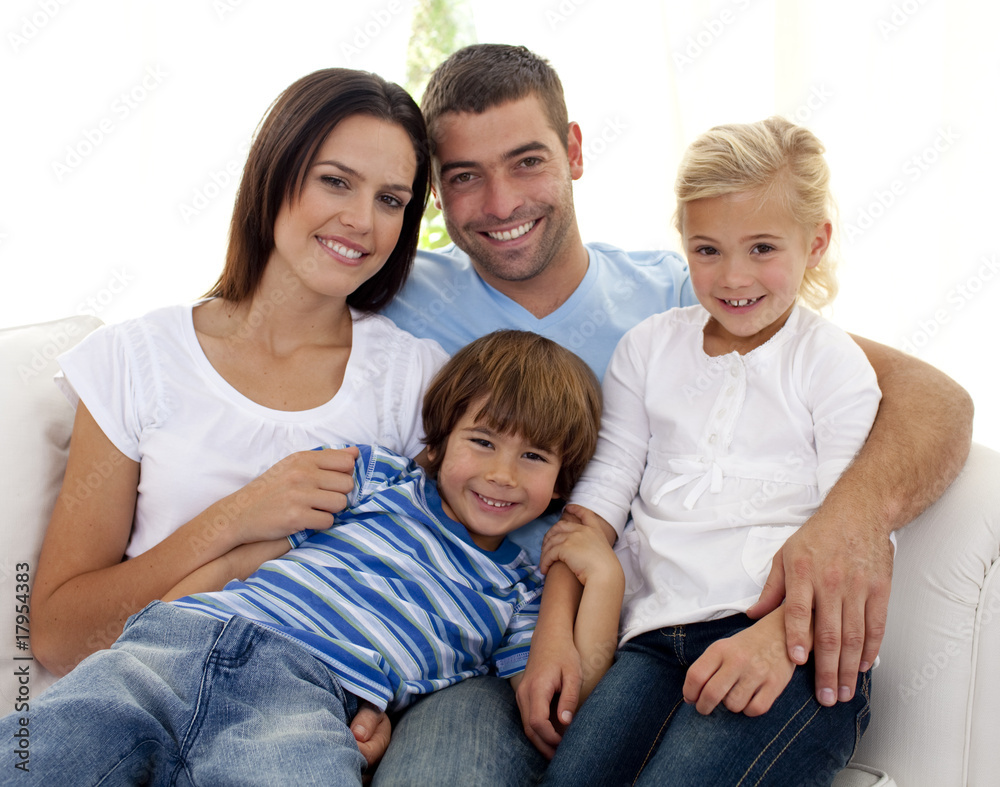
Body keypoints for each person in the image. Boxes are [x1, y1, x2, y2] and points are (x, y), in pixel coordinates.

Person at [375, 43, 973, 784]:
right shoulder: (392, 297)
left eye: (527, 161)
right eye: (465, 176)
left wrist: (852, 522)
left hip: (677, 631)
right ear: (434, 189)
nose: (500, 203)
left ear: (574, 151)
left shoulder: (688, 296)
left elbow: (933, 396)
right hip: (459, 648)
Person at [30, 68, 447, 765]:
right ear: (275, 171)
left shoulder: (413, 382)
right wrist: (237, 520)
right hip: (138, 684)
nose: (362, 220)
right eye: (335, 181)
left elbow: (426, 584)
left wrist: (384, 699)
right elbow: (58, 635)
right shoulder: (137, 358)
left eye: (391, 199)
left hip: (295, 717)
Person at [1, 330, 617, 786]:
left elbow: (565, 692)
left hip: (307, 700)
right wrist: (159, 618)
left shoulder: (516, 590)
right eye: (481, 442)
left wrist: (603, 575)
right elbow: (246, 560)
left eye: (534, 458)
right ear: (439, 440)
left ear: (562, 483)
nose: (501, 474)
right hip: (190, 637)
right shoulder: (379, 478)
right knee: (52, 747)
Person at [541, 116, 880, 786]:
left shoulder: (830, 364)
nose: (732, 277)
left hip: (787, 645)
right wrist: (554, 624)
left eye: (761, 248)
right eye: (707, 249)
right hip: (652, 641)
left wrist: (782, 637)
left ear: (815, 243)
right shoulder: (648, 348)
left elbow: (856, 536)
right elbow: (604, 490)